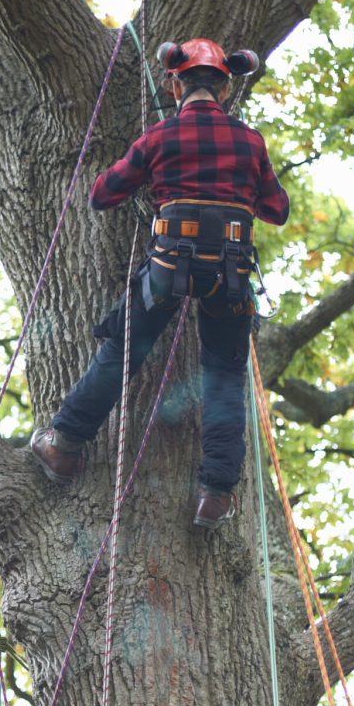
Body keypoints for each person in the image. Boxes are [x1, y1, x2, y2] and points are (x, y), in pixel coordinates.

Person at [30, 37, 290, 529]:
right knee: (223, 375)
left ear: (175, 83)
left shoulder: (158, 138)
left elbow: (102, 195)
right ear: (226, 84)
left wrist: (158, 180)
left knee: (122, 351)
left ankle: (63, 446)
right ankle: (215, 493)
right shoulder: (249, 141)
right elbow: (277, 209)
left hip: (169, 266)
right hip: (232, 273)